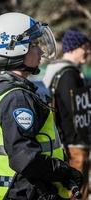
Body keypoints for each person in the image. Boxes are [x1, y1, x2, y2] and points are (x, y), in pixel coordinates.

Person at [0, 12, 84, 199]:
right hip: (25, 191)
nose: (41, 51)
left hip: (11, 191)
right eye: (34, 45)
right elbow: (25, 158)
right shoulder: (16, 98)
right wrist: (65, 171)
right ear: (14, 49)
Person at [43, 29, 91, 199]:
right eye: (85, 47)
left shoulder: (57, 70)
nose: (88, 51)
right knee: (77, 192)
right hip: (73, 144)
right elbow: (73, 111)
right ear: (73, 48)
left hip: (65, 142)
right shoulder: (68, 74)